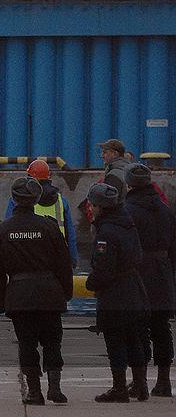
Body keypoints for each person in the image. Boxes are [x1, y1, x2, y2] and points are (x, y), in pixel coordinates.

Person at [0, 177, 74, 405]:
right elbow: (64, 264)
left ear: (14, 199)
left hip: (19, 296)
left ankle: (35, 392)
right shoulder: (49, 227)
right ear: (36, 199)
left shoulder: (1, 230)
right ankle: (55, 388)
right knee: (52, 341)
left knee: (27, 344)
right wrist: (66, 293)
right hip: (49, 294)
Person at [85, 182, 150, 402]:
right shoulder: (127, 224)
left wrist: (91, 283)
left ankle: (119, 388)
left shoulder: (106, 232)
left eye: (92, 204)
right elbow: (137, 255)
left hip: (115, 295)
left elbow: (104, 269)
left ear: (101, 207)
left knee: (115, 342)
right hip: (134, 289)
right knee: (134, 339)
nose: (90, 208)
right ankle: (140, 385)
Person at [123, 163, 175, 397]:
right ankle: (163, 381)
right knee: (161, 328)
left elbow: (124, 246)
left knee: (137, 329)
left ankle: (139, 381)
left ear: (129, 184)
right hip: (162, 273)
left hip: (137, 273)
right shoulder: (165, 210)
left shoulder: (127, 211)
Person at [4, 160, 79, 268]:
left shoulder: (19, 199)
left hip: (27, 257)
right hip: (56, 257)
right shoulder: (61, 201)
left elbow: (7, 229)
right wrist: (73, 260)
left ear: (30, 178)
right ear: (48, 177)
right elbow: (70, 235)